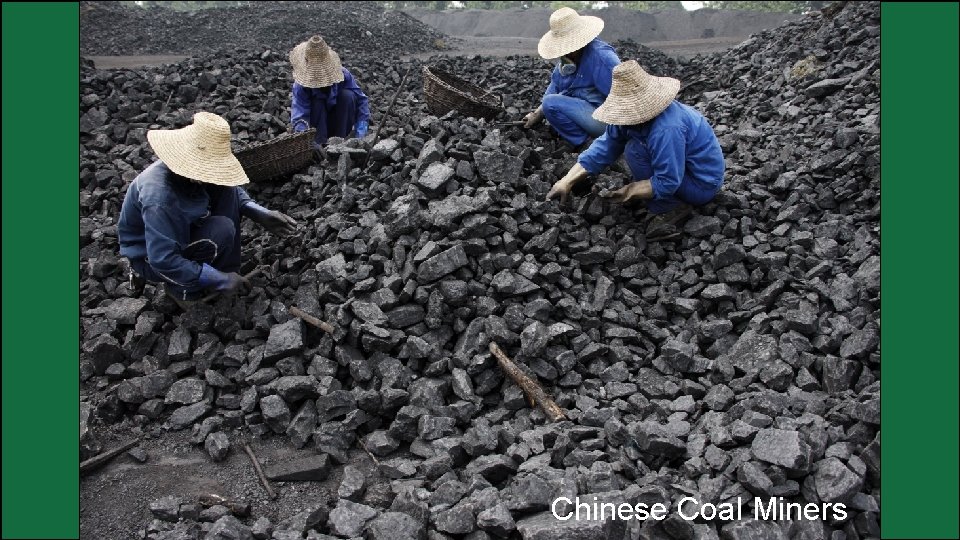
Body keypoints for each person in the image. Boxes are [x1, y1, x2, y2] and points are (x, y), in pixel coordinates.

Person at [119, 112, 297, 306]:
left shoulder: (190, 175)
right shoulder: (160, 197)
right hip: (150, 258)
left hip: (178, 233)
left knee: (225, 191)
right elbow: (162, 260)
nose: (212, 175)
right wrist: (217, 279)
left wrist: (256, 212)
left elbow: (231, 190)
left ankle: (228, 270)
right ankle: (182, 291)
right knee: (221, 230)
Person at [545, 61, 725, 235]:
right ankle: (661, 197)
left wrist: (628, 192)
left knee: (634, 150)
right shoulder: (627, 119)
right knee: (633, 147)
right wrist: (566, 181)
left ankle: (671, 208)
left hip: (701, 184)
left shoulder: (667, 129)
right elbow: (604, 147)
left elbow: (668, 181)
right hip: (683, 170)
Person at [522, 7, 621, 150]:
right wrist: (536, 114)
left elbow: (624, 97)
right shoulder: (567, 61)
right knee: (550, 103)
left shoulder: (602, 58)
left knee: (551, 103)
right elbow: (554, 87)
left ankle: (588, 144)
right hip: (590, 115)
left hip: (610, 122)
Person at [289, 35, 371, 148]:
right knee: (317, 102)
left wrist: (361, 131)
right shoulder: (301, 86)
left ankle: (339, 143)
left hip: (337, 122)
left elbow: (361, 100)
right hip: (315, 125)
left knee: (348, 96)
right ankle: (321, 145)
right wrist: (306, 140)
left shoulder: (343, 75)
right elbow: (300, 116)